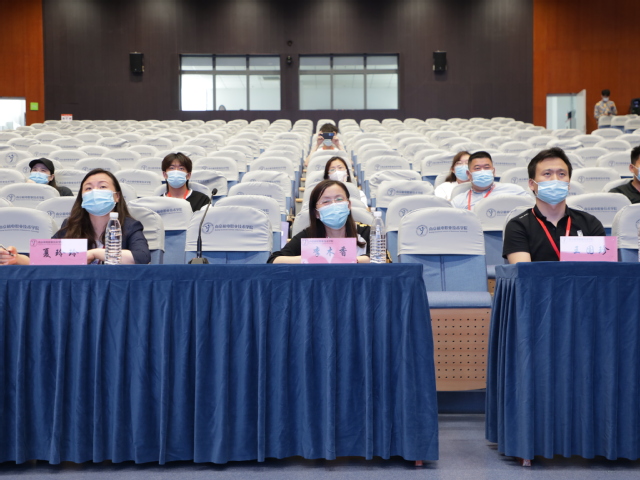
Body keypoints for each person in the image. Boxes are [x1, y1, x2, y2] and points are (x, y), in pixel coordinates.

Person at [0, 169, 151, 265]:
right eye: (88, 188)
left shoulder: (130, 226)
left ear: (116, 196)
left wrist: (94, 253)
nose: (95, 191)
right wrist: (16, 258)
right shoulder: (72, 225)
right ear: (82, 197)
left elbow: (142, 257)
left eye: (102, 186)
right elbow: (43, 257)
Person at [503, 147, 605, 263]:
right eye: (547, 174)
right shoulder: (518, 226)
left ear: (569, 183)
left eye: (562, 174)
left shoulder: (590, 223)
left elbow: (601, 269)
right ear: (531, 184)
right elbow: (524, 272)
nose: (555, 179)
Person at [268, 180, 371, 264]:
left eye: (339, 199)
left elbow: (378, 258)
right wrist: (309, 258)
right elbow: (274, 260)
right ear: (316, 212)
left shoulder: (366, 232)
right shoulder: (308, 236)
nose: (334, 205)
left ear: (348, 205)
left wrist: (353, 260)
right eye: (326, 201)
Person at [450, 151, 526, 209]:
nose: (482, 171)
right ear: (468, 174)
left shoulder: (515, 191)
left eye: (486, 167)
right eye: (477, 168)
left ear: (493, 171)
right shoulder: (458, 201)